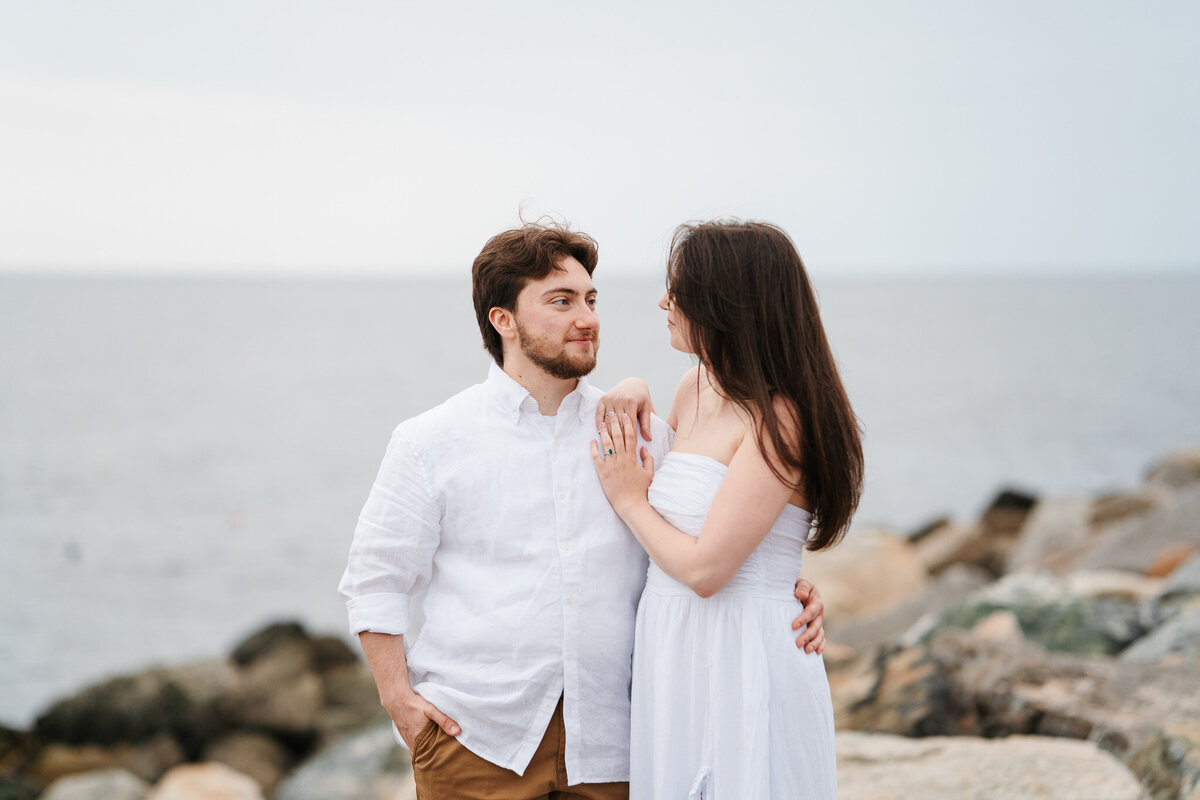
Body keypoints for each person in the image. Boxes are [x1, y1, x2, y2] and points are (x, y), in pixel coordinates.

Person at [338, 219, 828, 800]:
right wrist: (402, 704)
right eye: (562, 301)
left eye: (591, 299)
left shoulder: (636, 435)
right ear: (504, 321)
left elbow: (704, 534)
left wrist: (784, 586)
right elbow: (375, 579)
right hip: (477, 740)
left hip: (616, 745)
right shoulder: (430, 442)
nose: (587, 317)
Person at [592, 220, 863, 800]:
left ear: (726, 303)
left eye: (679, 290)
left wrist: (628, 500)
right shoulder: (695, 387)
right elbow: (689, 500)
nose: (663, 302)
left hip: (745, 656)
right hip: (674, 654)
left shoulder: (779, 420)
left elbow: (707, 571)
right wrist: (634, 384)